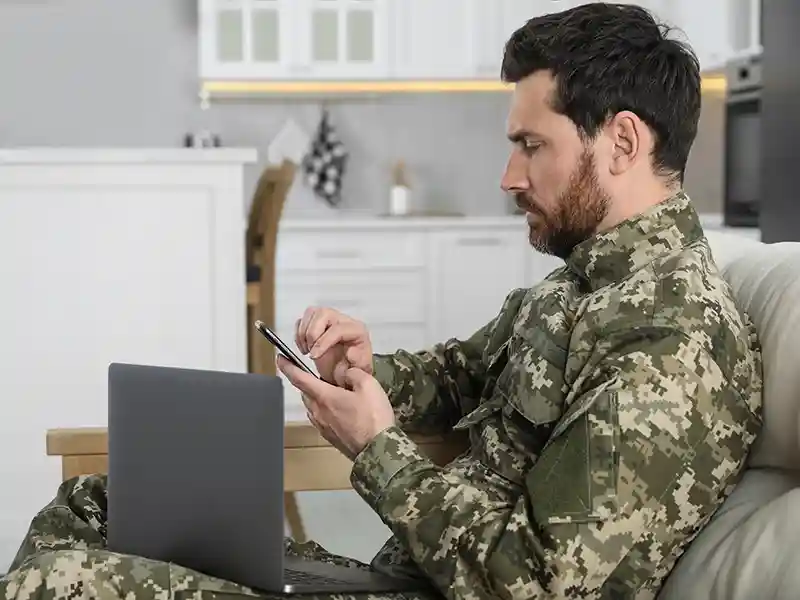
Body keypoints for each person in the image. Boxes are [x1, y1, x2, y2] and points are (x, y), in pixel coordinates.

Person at [2, 3, 762, 600]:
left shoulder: (670, 341)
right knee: (99, 501)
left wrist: (377, 449)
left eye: (532, 145)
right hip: (399, 576)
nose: (508, 176)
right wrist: (368, 369)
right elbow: (465, 370)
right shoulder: (586, 282)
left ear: (622, 143)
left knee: (51, 583)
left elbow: (539, 583)